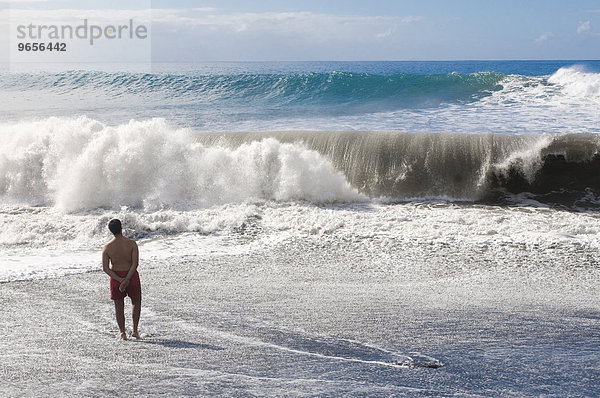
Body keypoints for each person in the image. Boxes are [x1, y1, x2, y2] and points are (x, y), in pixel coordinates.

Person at [102, 219, 142, 340]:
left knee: (119, 306)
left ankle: (123, 333)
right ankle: (135, 330)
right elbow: (135, 264)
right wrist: (127, 279)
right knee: (136, 301)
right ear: (121, 228)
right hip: (131, 275)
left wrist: (120, 280)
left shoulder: (107, 247)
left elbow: (105, 268)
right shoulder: (132, 244)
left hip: (115, 277)